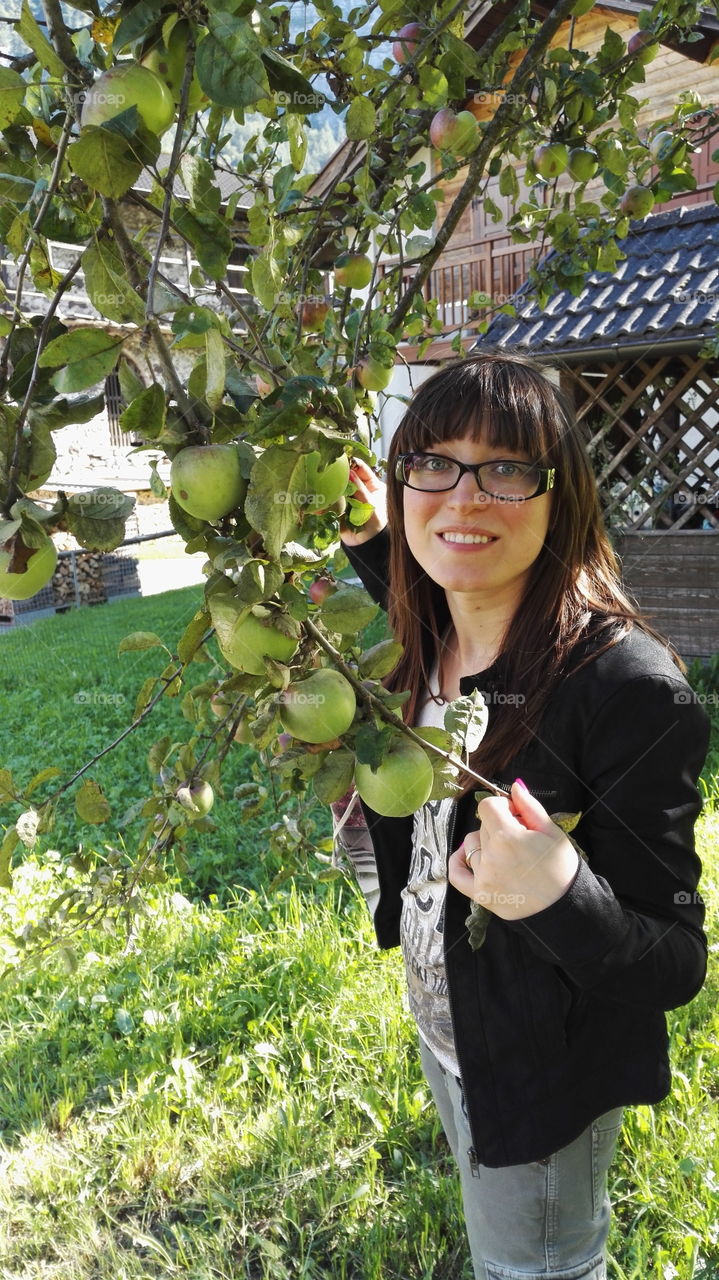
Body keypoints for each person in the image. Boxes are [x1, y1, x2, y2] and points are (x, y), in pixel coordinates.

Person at [337, 351, 710, 1280]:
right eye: (433, 462)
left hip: (541, 1063)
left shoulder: (623, 691)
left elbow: (673, 964)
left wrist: (555, 891)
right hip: (451, 1025)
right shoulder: (434, 623)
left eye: (507, 469)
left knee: (538, 1265)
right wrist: (369, 533)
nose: (463, 500)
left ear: (562, 497)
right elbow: (413, 563)